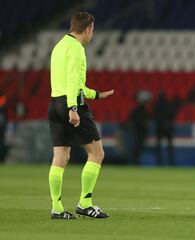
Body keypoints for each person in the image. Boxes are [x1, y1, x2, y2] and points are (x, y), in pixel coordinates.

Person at [48, 11, 114, 219]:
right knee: (97, 153)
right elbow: (72, 81)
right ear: (86, 29)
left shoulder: (59, 46)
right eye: (92, 30)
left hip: (55, 103)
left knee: (60, 157)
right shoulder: (77, 49)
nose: (92, 34)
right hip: (71, 103)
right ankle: (85, 203)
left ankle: (57, 208)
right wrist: (73, 108)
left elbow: (72, 82)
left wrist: (95, 94)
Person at [153, 92, 177, 166]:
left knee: (159, 146)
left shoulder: (157, 105)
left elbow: (154, 115)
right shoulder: (168, 105)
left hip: (160, 127)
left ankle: (159, 162)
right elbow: (172, 115)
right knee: (170, 147)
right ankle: (172, 163)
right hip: (168, 127)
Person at [0, 92, 8, 162]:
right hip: (2, 120)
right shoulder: (3, 98)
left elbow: (3, 107)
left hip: (2, 120)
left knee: (1, 141)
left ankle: (2, 157)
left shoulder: (2, 98)